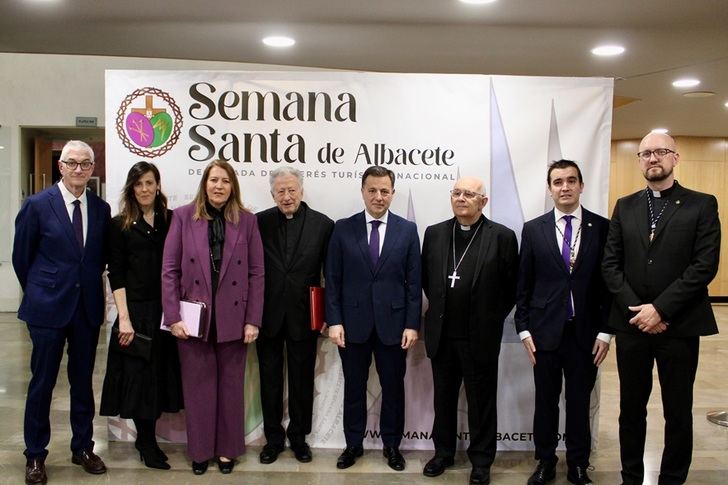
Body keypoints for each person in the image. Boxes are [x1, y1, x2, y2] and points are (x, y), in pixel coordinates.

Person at [602, 132, 721, 485]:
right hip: (632, 324)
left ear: (675, 158)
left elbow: (704, 265)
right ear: (639, 161)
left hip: (680, 326)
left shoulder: (702, 204)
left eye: (661, 152)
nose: (653, 159)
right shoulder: (625, 205)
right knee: (630, 410)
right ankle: (631, 477)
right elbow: (611, 264)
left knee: (678, 411)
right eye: (646, 154)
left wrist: (662, 310)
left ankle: (671, 478)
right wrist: (640, 310)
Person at [12, 140, 111, 484]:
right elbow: (21, 258)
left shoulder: (100, 208)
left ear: (93, 168)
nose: (79, 169)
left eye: (86, 164)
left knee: (82, 383)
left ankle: (83, 446)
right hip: (47, 310)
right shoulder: (38, 205)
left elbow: (98, 259)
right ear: (61, 166)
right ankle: (35, 454)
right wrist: (44, 289)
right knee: (42, 383)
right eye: (72, 163)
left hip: (86, 310)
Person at [161, 159, 264, 475]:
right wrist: (173, 316)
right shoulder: (181, 216)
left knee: (232, 389)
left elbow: (257, 272)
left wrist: (253, 319)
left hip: (234, 318)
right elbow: (169, 270)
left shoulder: (247, 221)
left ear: (233, 186)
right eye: (213, 180)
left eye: (225, 181)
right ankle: (200, 451)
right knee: (198, 389)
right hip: (194, 320)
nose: (219, 186)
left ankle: (227, 451)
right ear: (204, 184)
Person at [515, 160, 611, 485]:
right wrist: (524, 328)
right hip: (543, 335)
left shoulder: (602, 227)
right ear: (550, 188)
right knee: (545, 402)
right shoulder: (533, 229)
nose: (565, 187)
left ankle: (578, 464)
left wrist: (607, 331)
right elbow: (523, 286)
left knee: (579, 402)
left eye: (571, 181)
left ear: (581, 186)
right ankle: (545, 461)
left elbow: (609, 285)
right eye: (558, 182)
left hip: (586, 335)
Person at [420, 177, 518, 485]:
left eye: (470, 194)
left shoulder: (502, 236)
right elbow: (428, 280)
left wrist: (488, 318)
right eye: (457, 193)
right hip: (442, 335)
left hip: (480, 337)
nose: (462, 198)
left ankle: (481, 461)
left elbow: (510, 288)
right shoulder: (435, 234)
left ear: (483, 202)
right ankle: (443, 453)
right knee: (443, 400)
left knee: (482, 402)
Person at [325, 166, 421, 471]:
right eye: (372, 190)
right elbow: (333, 279)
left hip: (394, 326)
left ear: (392, 192)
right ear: (363, 191)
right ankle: (353, 444)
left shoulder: (407, 230)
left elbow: (414, 283)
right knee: (354, 386)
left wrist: (412, 324)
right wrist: (335, 320)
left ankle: (392, 445)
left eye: (384, 191)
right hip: (352, 326)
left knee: (393, 388)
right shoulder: (343, 228)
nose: (378, 196)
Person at [99, 162, 184, 470]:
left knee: (160, 377)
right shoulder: (119, 224)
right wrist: (123, 318)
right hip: (135, 311)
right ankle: (146, 443)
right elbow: (116, 274)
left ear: (157, 185)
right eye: (139, 184)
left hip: (166, 312)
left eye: (149, 183)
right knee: (138, 380)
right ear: (131, 189)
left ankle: (147, 438)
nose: (145, 189)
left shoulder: (172, 221)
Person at [256, 167, 334, 464]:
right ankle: (273, 439)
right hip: (268, 315)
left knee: (302, 381)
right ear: (272, 193)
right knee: (270, 381)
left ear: (302, 191)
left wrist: (328, 314)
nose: (286, 196)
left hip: (306, 316)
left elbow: (332, 275)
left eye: (292, 190)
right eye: (280, 191)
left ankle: (299, 438)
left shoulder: (323, 225)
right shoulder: (258, 222)